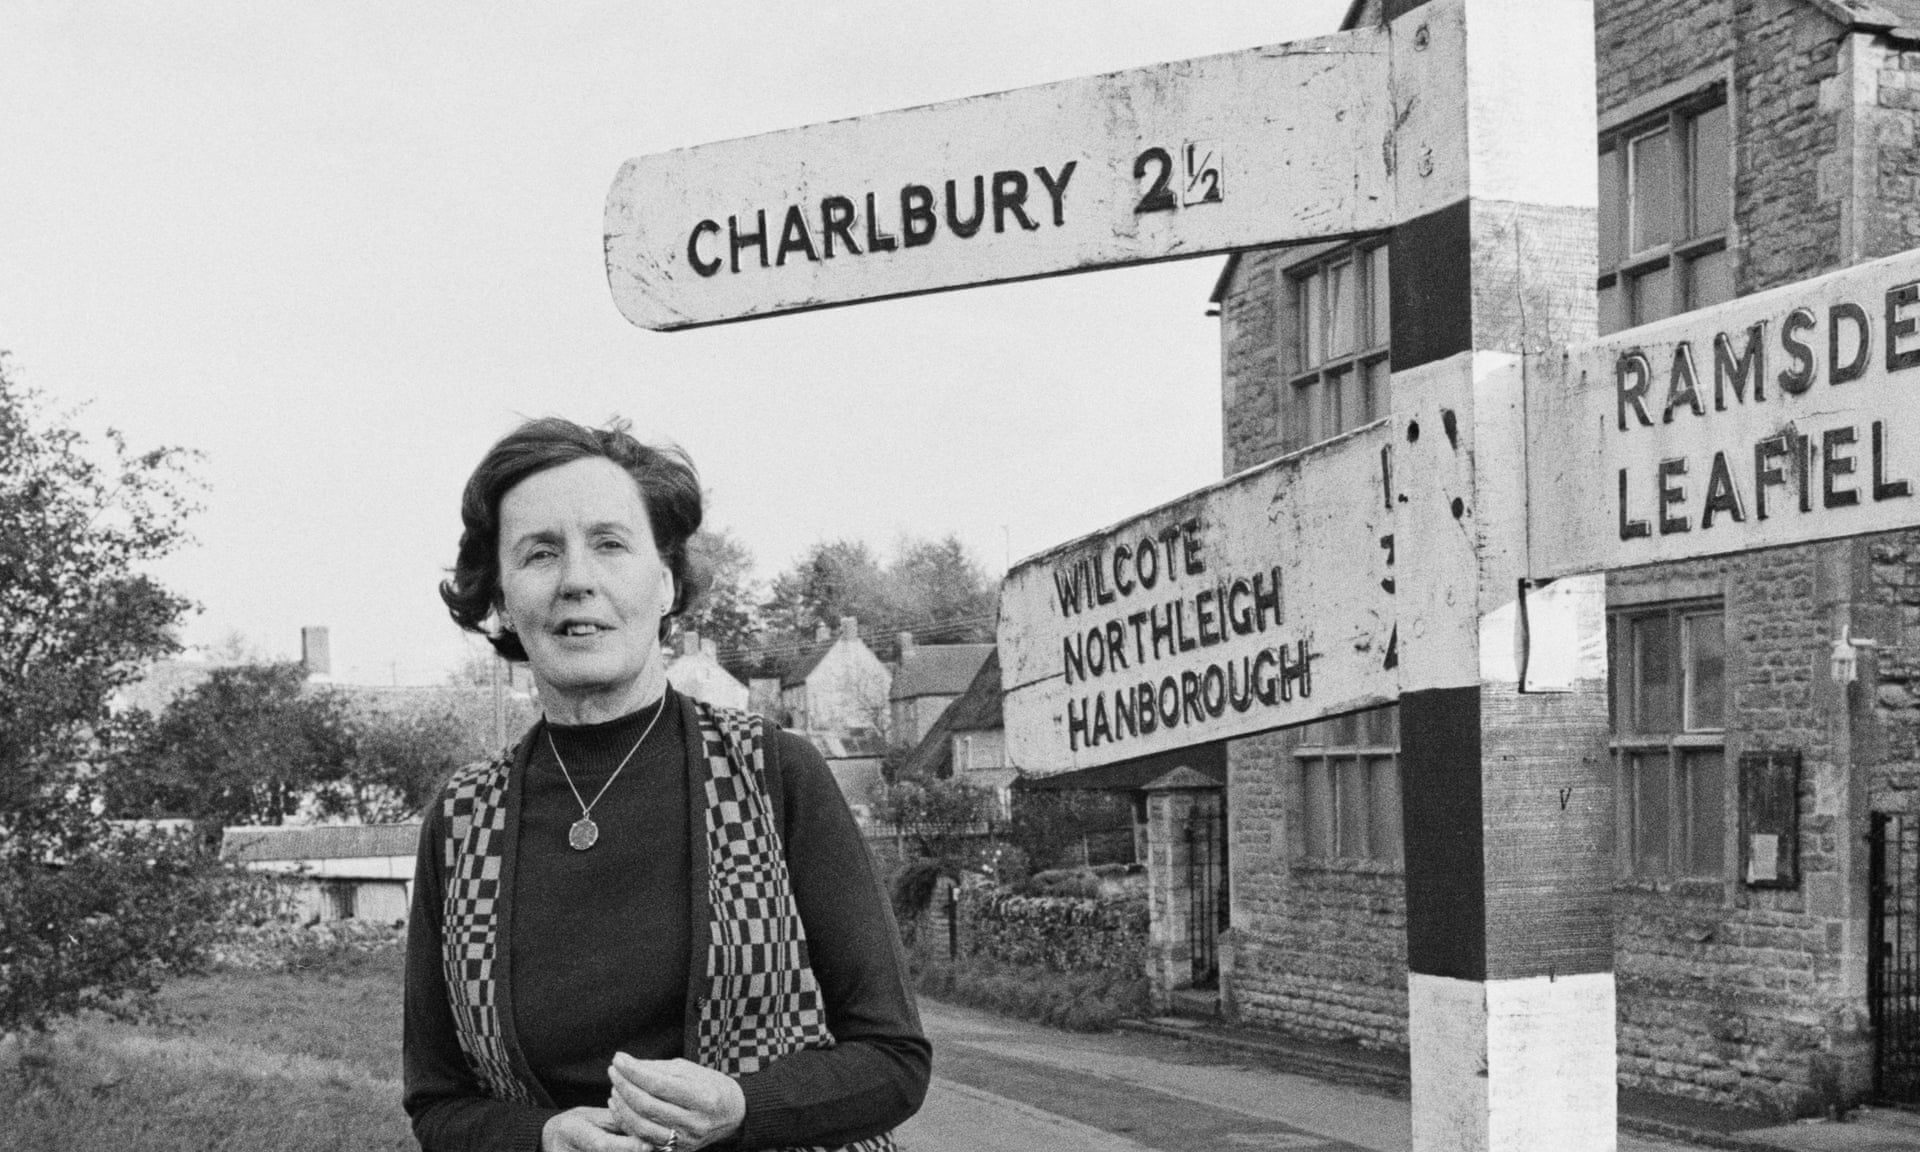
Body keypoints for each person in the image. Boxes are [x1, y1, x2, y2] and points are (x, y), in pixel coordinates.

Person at [404, 416, 929, 1152]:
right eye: (539, 552)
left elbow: (895, 1061)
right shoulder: (461, 819)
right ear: (498, 596)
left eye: (610, 545)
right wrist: (541, 1138)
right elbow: (438, 1103)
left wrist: (745, 1108)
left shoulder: (776, 774)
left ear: (667, 580)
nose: (576, 579)